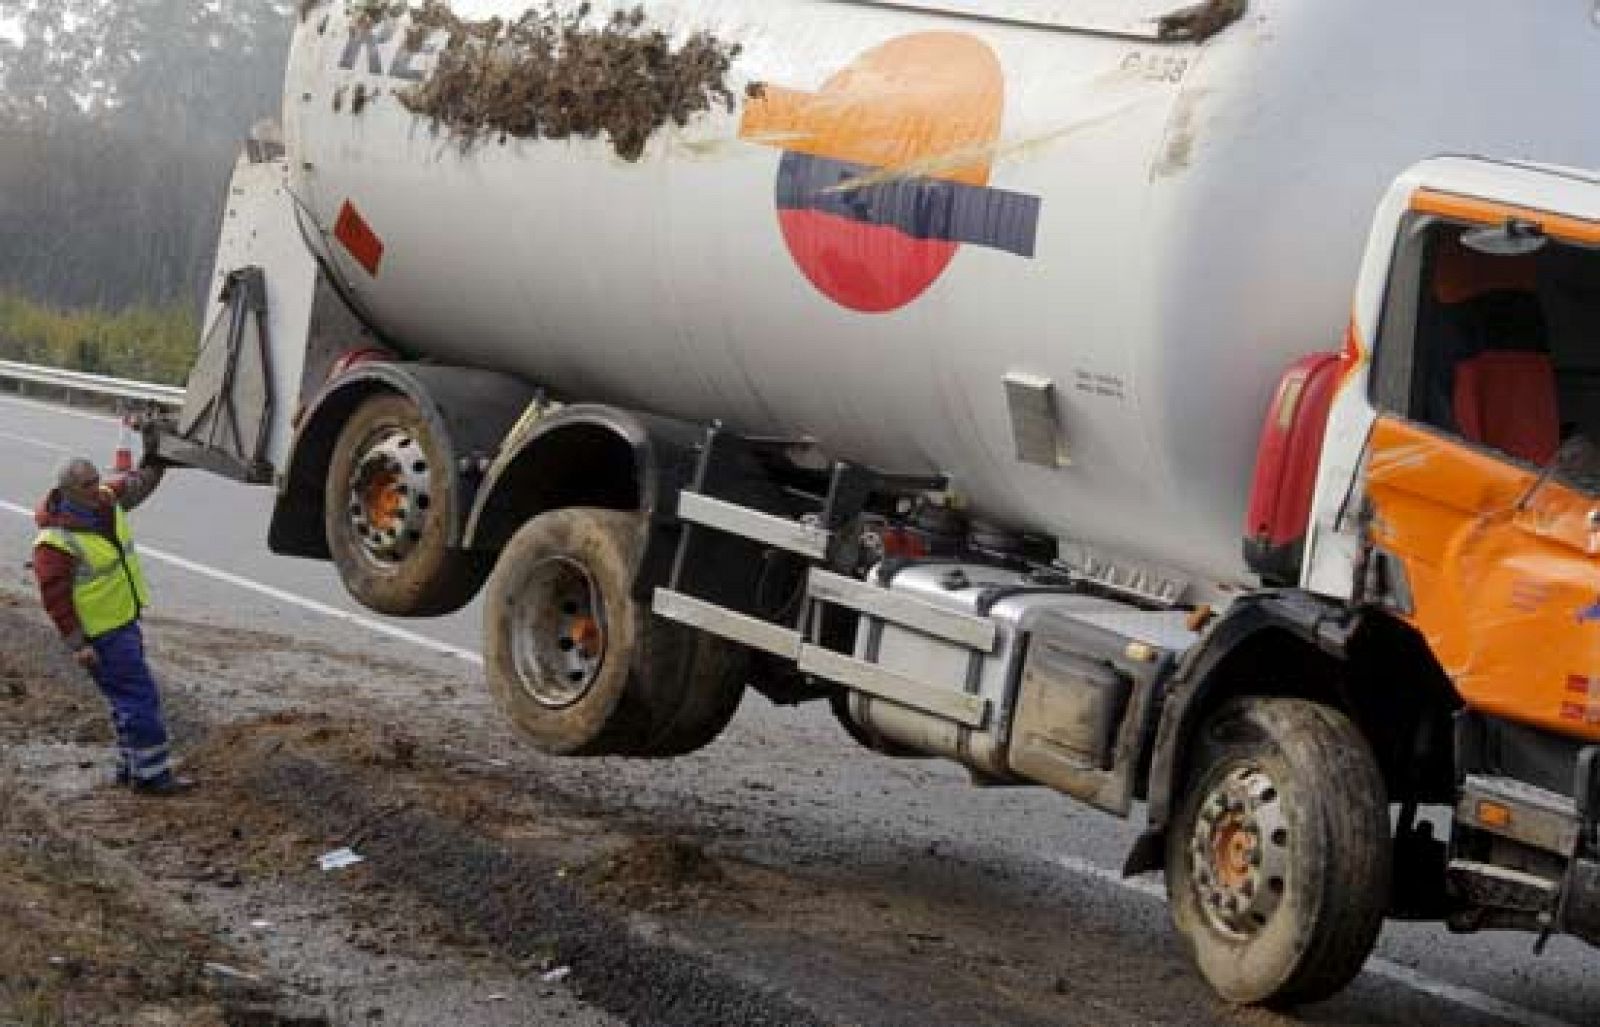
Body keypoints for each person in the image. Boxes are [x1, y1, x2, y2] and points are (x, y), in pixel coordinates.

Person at [31, 431, 193, 795]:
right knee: (139, 699)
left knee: (125, 698)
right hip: (101, 636)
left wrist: (158, 460)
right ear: (69, 490)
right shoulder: (54, 543)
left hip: (123, 623)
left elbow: (135, 484)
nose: (97, 487)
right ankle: (151, 775)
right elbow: (55, 601)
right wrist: (78, 645)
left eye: (97, 480)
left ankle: (130, 764)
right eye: (88, 484)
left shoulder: (104, 501)